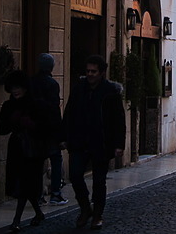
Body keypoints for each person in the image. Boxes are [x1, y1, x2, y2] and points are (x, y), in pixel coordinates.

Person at [61, 55, 126, 230]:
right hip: (80, 141)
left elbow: (119, 120)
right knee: (75, 175)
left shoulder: (111, 92)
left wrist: (119, 144)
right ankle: (85, 208)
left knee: (99, 181)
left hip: (101, 143)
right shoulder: (78, 89)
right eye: (88, 71)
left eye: (93, 71)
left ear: (102, 73)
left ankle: (97, 214)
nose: (90, 74)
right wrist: (64, 137)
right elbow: (69, 113)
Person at [0, 70, 48, 232]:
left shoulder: (36, 104)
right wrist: (12, 122)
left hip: (33, 149)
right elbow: (1, 128)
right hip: (17, 148)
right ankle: (38, 213)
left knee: (27, 183)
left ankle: (16, 219)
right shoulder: (8, 106)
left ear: (25, 87)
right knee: (22, 184)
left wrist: (31, 125)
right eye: (12, 87)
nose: (15, 90)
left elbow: (45, 127)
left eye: (18, 87)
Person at [29, 53, 68, 206]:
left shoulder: (31, 82)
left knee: (38, 162)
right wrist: (60, 134)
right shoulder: (52, 84)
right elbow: (54, 110)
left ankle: (38, 195)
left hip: (35, 130)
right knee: (56, 160)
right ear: (51, 66)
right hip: (50, 130)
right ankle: (56, 193)